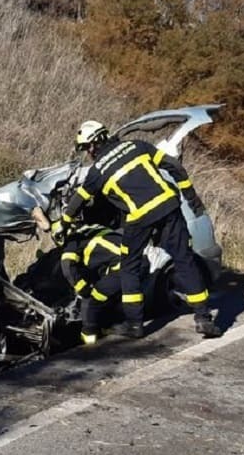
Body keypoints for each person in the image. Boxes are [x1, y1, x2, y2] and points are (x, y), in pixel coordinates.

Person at [52, 120, 222, 339]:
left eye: (86, 149)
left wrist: (63, 223)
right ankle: (203, 318)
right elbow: (175, 167)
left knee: (129, 266)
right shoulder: (137, 146)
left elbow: (78, 202)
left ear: (93, 145)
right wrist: (192, 198)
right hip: (169, 207)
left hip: (140, 216)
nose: (88, 153)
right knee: (184, 260)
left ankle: (135, 325)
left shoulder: (97, 172)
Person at [55, 224, 127, 345]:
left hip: (121, 266)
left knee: (91, 301)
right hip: (130, 261)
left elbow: (67, 266)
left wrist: (82, 288)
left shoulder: (72, 242)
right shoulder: (94, 229)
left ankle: (90, 345)